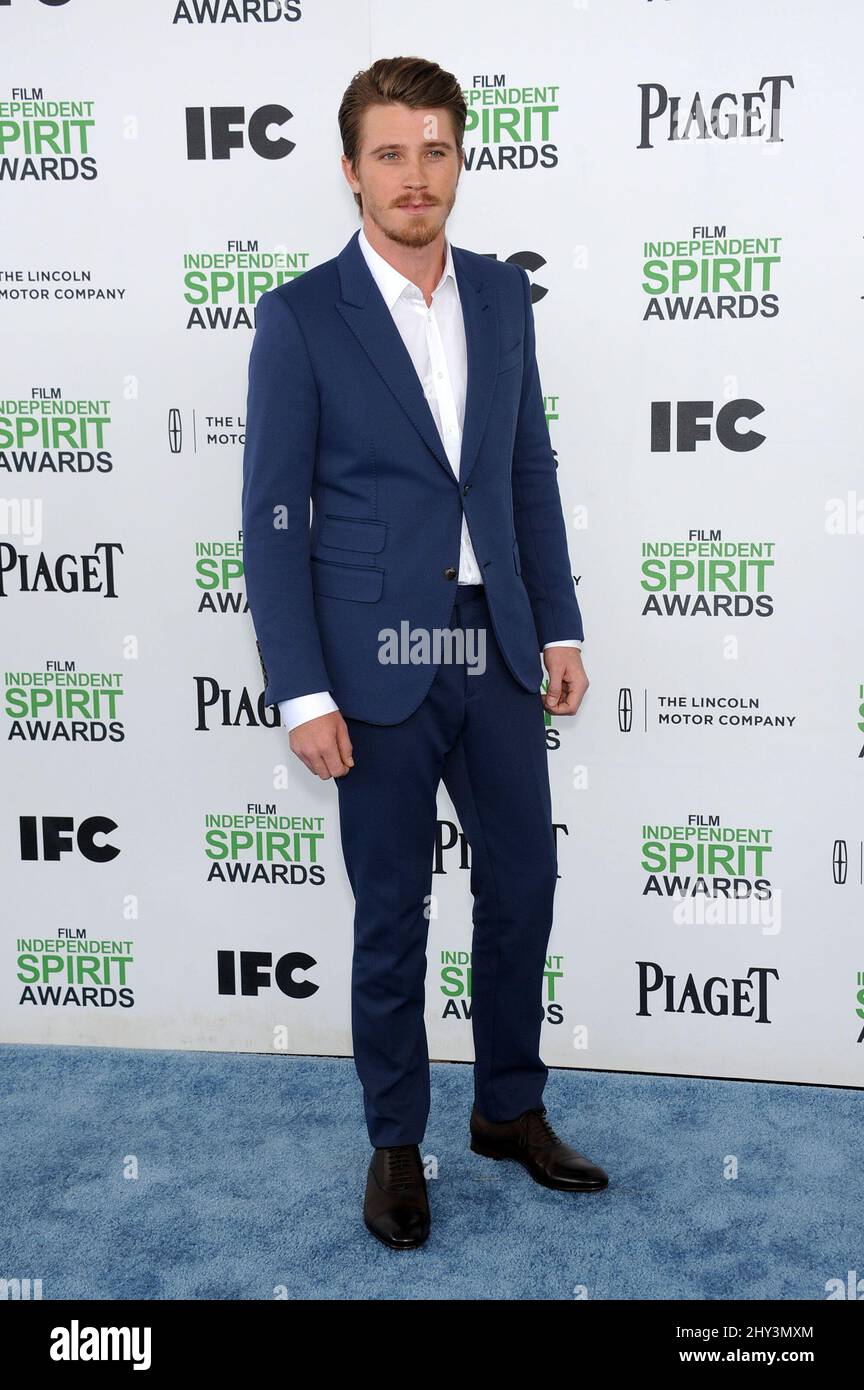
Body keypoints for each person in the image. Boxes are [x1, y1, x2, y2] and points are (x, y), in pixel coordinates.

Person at [241, 55, 609, 1250]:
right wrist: (302, 687)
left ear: (461, 159)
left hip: (493, 644)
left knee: (526, 885)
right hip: (373, 662)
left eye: (436, 148)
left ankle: (509, 1107)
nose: (416, 174)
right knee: (393, 910)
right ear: (350, 171)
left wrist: (555, 620)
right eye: (391, 153)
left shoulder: (503, 297)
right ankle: (397, 1144)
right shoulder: (300, 317)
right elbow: (273, 514)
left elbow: (525, 472)